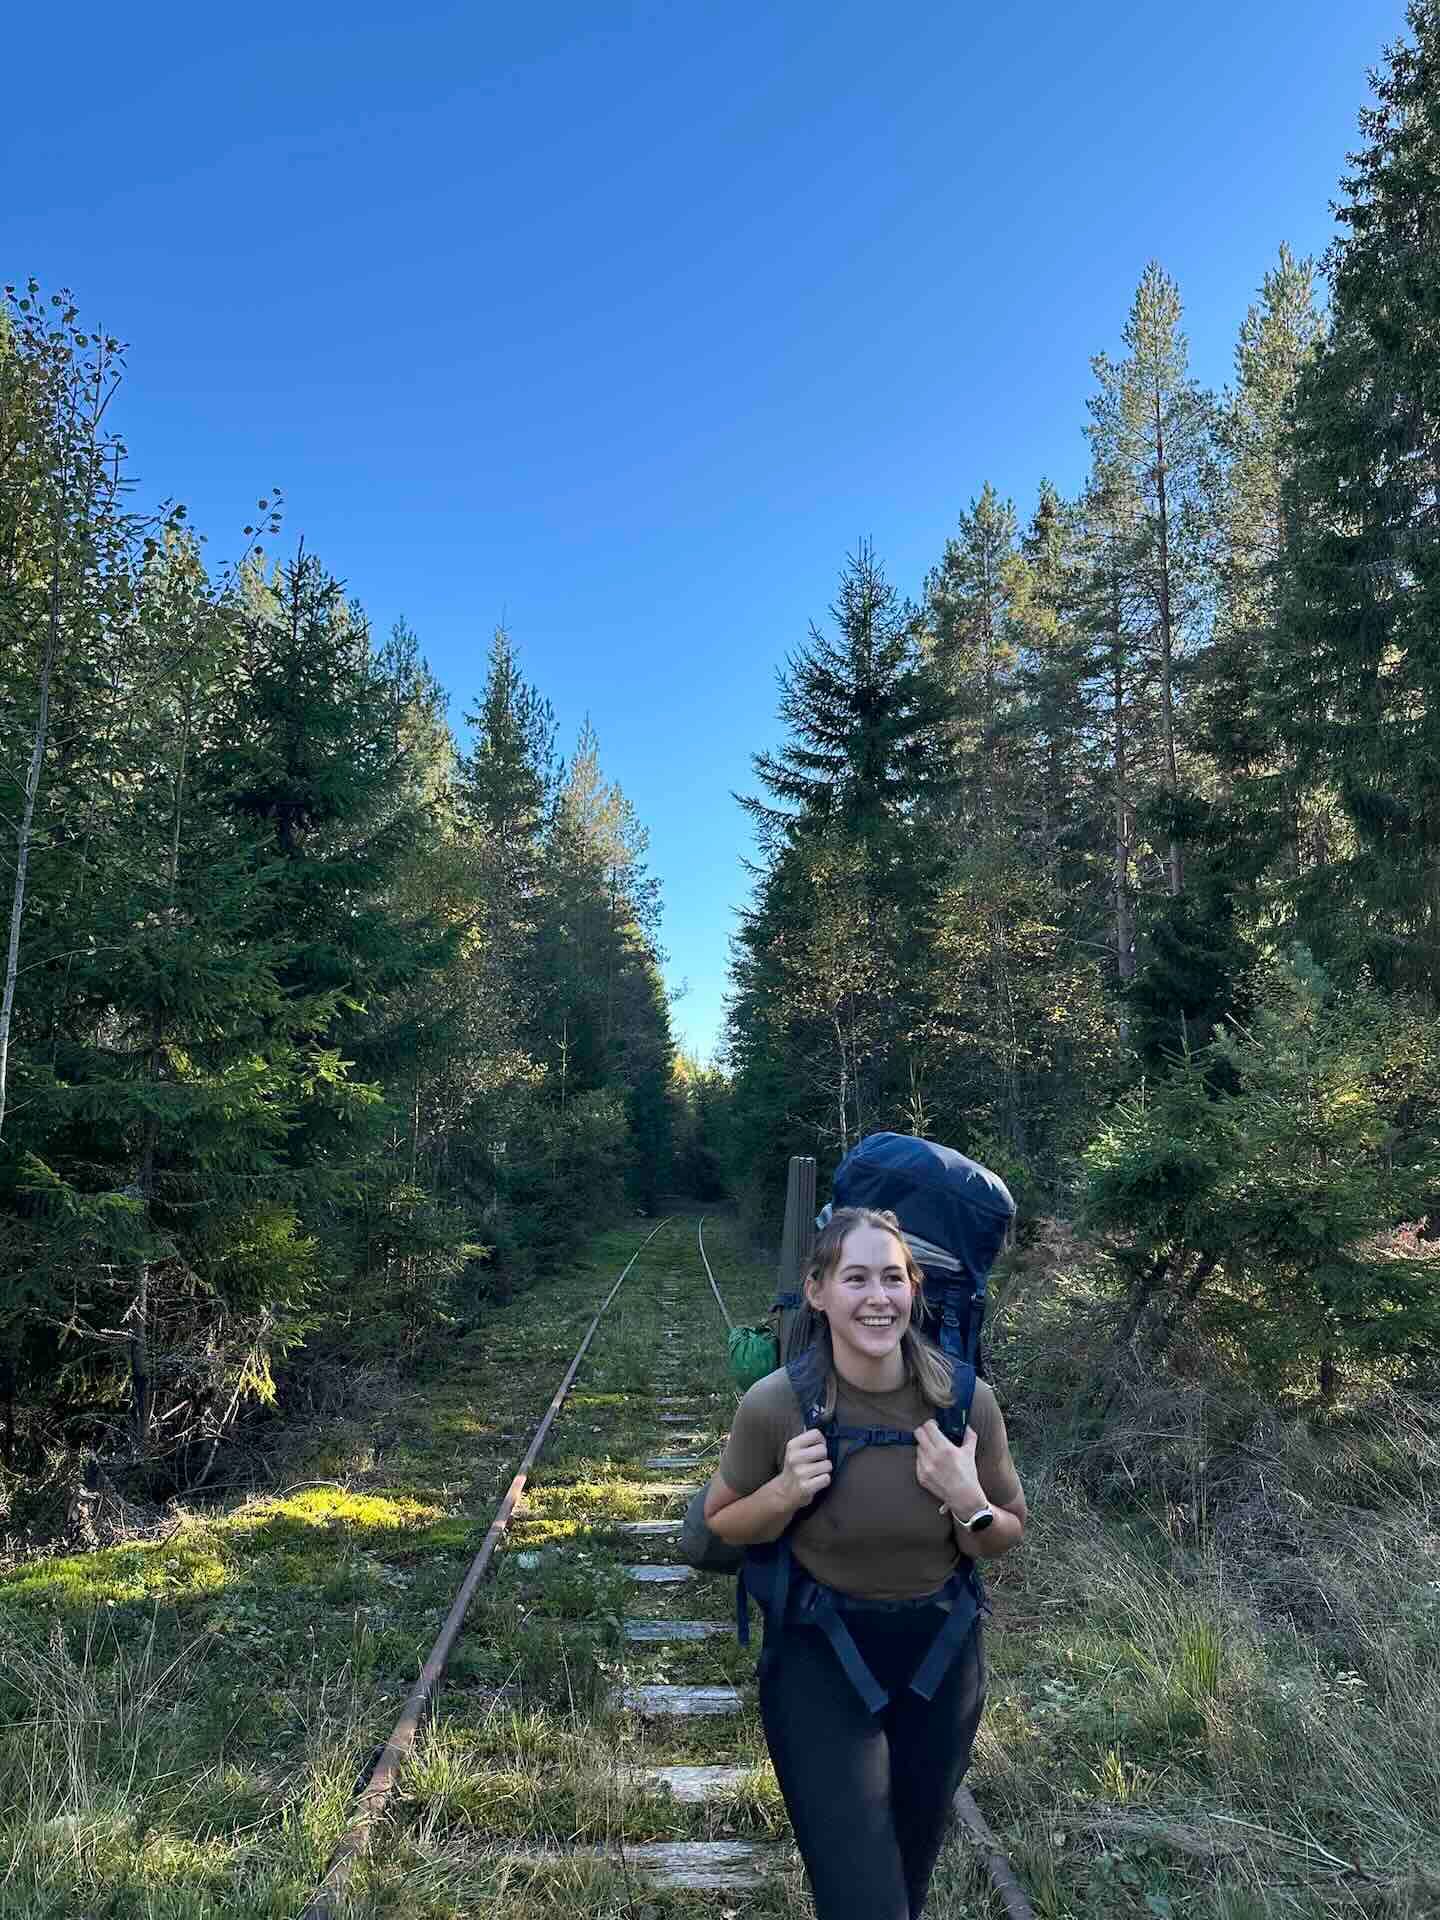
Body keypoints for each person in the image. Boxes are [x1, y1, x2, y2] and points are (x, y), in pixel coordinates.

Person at [702, 1205, 1027, 1920]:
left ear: (914, 1290)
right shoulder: (776, 1405)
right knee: (863, 1895)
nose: (877, 1298)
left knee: (905, 1882)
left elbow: (1004, 1530)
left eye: (892, 1278)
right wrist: (785, 1491)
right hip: (819, 1659)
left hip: (940, 1662)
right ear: (817, 1290)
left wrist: (968, 1501)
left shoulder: (966, 1403)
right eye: (855, 1278)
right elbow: (718, 1522)